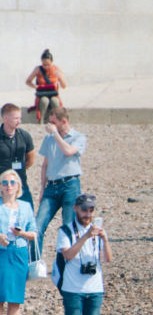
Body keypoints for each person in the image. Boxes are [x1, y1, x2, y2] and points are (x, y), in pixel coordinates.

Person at [58, 194, 112, 315]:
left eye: (91, 210)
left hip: (95, 288)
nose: (88, 214)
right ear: (75, 209)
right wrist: (86, 236)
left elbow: (107, 260)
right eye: (84, 210)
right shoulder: (65, 230)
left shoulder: (97, 231)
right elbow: (68, 255)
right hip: (73, 288)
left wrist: (105, 240)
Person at [35, 107, 87, 255]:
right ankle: (35, 264)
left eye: (53, 122)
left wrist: (56, 134)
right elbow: (45, 164)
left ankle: (67, 262)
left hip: (70, 185)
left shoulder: (78, 137)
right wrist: (42, 189)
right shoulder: (49, 138)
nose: (50, 125)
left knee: (68, 226)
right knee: (38, 225)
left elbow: (68, 151)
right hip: (51, 187)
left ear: (63, 121)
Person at [0, 170, 37, 315]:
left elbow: (34, 233)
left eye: (12, 183)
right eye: (5, 182)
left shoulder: (25, 207)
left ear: (18, 187)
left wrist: (20, 233)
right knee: (0, 300)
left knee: (15, 300)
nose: (8, 186)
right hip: (1, 253)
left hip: (19, 253)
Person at [0, 104, 35, 207]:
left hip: (20, 184)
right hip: (2, 185)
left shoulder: (25, 136)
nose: (19, 121)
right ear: (5, 118)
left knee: (27, 214)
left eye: (20, 118)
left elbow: (30, 159)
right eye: (16, 118)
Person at [25, 49, 66, 123]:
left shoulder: (56, 69)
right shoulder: (38, 69)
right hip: (42, 94)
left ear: (52, 62)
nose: (46, 67)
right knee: (44, 101)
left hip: (53, 94)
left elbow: (64, 86)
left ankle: (57, 120)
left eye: (48, 64)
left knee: (55, 101)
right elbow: (28, 82)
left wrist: (60, 77)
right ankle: (41, 120)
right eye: (44, 64)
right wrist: (35, 86)